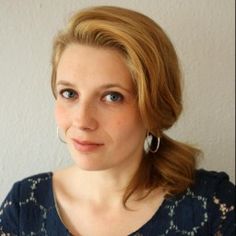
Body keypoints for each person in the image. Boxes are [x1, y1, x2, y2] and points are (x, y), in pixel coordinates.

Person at [0, 5, 235, 236]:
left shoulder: (211, 206)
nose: (82, 120)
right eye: (69, 94)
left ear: (153, 107)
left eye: (112, 97)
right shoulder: (25, 205)